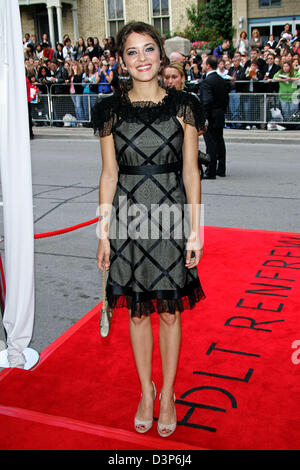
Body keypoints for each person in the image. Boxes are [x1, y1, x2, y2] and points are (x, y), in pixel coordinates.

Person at [92, 20, 206, 438]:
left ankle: (170, 394)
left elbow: (192, 172)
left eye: (148, 50)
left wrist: (196, 231)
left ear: (162, 54)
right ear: (122, 61)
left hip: (172, 216)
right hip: (127, 220)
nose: (141, 59)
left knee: (171, 314)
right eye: (132, 52)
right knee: (138, 315)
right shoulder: (109, 110)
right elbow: (108, 174)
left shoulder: (185, 105)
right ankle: (146, 391)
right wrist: (104, 233)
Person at [199, 55, 229, 178]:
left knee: (211, 143)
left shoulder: (207, 82)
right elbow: (226, 98)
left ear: (208, 66)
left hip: (211, 115)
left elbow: (206, 102)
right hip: (220, 114)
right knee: (220, 141)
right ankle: (221, 168)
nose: (201, 65)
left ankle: (211, 171)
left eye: (203, 63)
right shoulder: (222, 80)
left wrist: (204, 118)